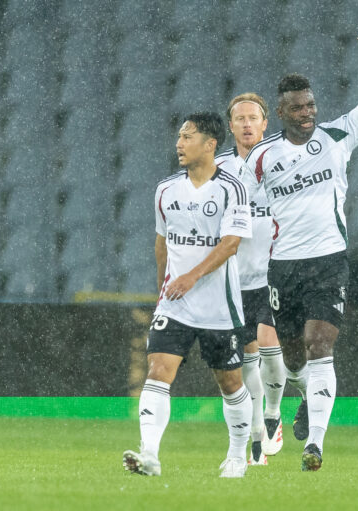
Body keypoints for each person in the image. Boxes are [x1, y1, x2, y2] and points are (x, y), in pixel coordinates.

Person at [240, 27, 358, 471]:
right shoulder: (260, 159)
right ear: (282, 112)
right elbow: (242, 211)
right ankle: (307, 394)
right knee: (290, 357)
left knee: (319, 343)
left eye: (310, 105)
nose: (307, 112)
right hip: (282, 268)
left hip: (328, 262)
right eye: (298, 107)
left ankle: (316, 446)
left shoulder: (336, 136)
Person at [123, 112, 253, 478]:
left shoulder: (232, 188)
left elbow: (230, 245)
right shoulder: (166, 189)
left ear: (210, 144)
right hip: (176, 304)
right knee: (158, 371)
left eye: (188, 137)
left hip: (219, 307)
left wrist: (191, 277)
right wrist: (164, 286)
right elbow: (162, 243)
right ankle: (149, 455)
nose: (179, 144)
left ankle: (238, 454)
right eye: (179, 137)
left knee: (230, 383)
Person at [214, 93, 287, 465]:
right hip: (234, 280)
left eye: (252, 118)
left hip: (271, 274)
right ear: (230, 126)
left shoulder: (281, 161)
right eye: (239, 118)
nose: (246, 124)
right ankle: (260, 429)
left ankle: (273, 414)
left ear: (264, 124)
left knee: (272, 348)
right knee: (247, 360)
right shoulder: (218, 168)